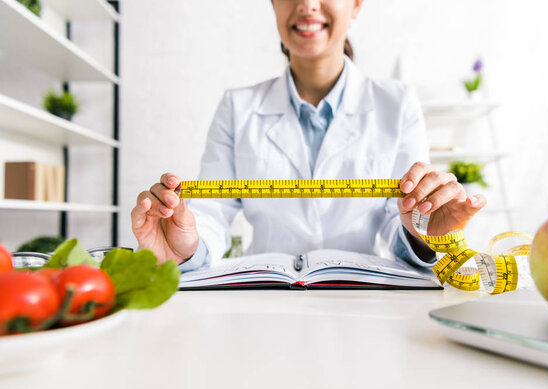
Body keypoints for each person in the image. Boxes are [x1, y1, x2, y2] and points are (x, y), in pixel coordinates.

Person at [131, 0, 486, 272]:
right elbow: (210, 212)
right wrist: (187, 247)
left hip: (362, 302)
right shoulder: (236, 107)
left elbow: (401, 217)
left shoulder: (398, 104)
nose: (307, 3)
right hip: (264, 300)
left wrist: (421, 232)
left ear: (357, 3)